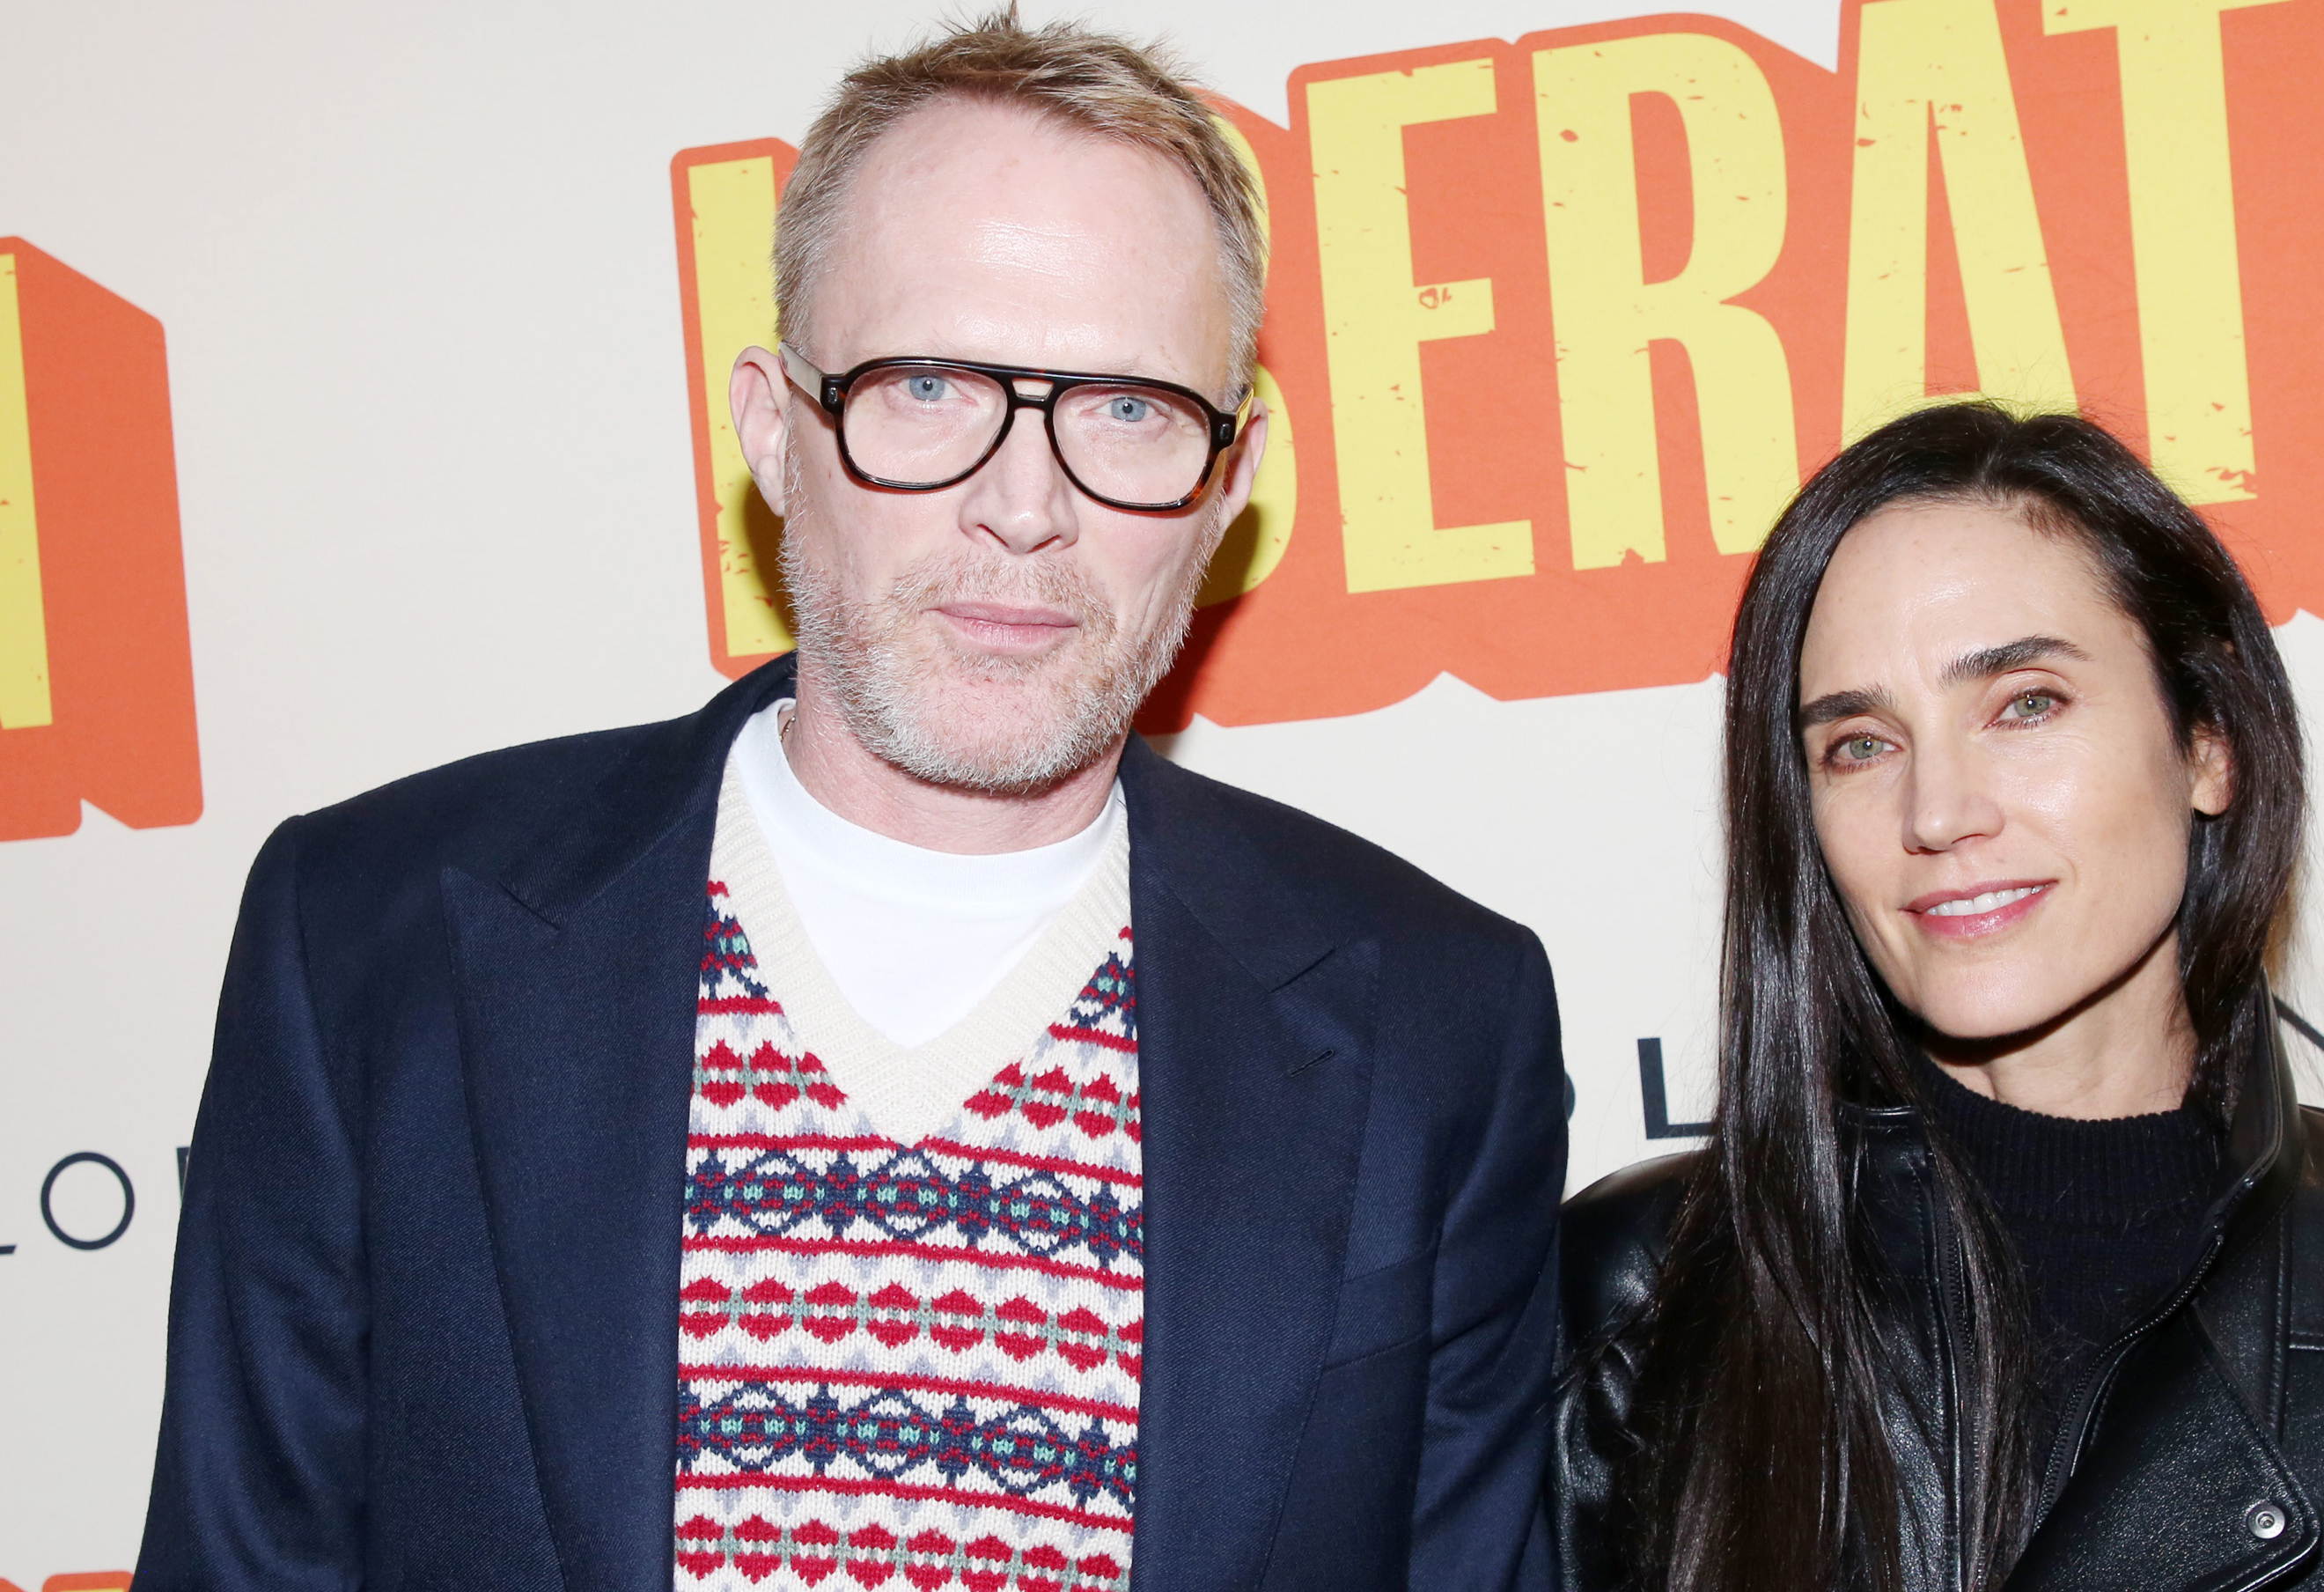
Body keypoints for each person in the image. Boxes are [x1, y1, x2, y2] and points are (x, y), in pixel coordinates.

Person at [138, 16, 1565, 1590]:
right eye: (931, 384)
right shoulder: (368, 940)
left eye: (1131, 410)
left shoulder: (1442, 1024)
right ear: (774, 426)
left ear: (1231, 484)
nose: (1024, 507)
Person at [1551, 403, 2324, 1591]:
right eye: (1859, 744)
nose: (1937, 813)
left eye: (2025, 705)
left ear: (2210, 741)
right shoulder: (1637, 1314)